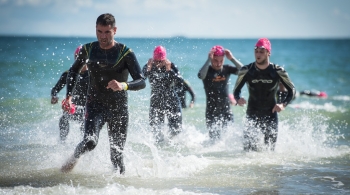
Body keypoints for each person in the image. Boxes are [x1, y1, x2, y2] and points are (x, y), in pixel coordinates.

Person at [61, 13, 146, 174]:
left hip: (118, 109)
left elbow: (141, 81)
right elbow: (73, 72)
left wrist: (124, 85)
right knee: (90, 142)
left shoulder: (125, 52)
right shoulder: (88, 49)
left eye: (107, 32)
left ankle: (120, 189)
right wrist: (69, 96)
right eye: (99, 32)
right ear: (95, 29)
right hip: (95, 105)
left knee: (116, 157)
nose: (103, 36)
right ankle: (73, 159)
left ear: (115, 30)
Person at [233, 38, 296, 151]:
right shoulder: (246, 70)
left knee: (269, 153)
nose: (258, 54)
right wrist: (238, 99)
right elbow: (236, 90)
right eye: (256, 51)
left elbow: (292, 90)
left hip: (270, 115)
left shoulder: (278, 71)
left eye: (262, 51)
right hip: (252, 115)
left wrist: (283, 104)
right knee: (248, 153)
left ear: (268, 53)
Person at [198, 45, 243, 141]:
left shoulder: (227, 69)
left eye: (221, 61)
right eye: (215, 61)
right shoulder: (207, 70)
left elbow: (244, 71)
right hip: (211, 111)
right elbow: (201, 76)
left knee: (228, 140)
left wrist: (232, 59)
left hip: (226, 110)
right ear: (211, 59)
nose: (218, 64)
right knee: (214, 141)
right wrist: (208, 60)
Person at [142, 45, 184, 143]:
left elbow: (180, 82)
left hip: (171, 101)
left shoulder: (171, 66)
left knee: (175, 131)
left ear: (164, 59)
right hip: (156, 101)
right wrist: (148, 69)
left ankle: (172, 149)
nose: (158, 63)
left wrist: (169, 70)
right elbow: (141, 80)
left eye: (160, 61)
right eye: (156, 61)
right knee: (156, 132)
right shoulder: (149, 66)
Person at [51, 46, 89, 142]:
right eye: (77, 56)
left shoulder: (92, 74)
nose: (79, 58)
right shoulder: (68, 74)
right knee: (63, 119)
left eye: (82, 56)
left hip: (87, 108)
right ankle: (62, 142)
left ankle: (83, 144)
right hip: (72, 106)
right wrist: (54, 96)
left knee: (85, 124)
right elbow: (56, 89)